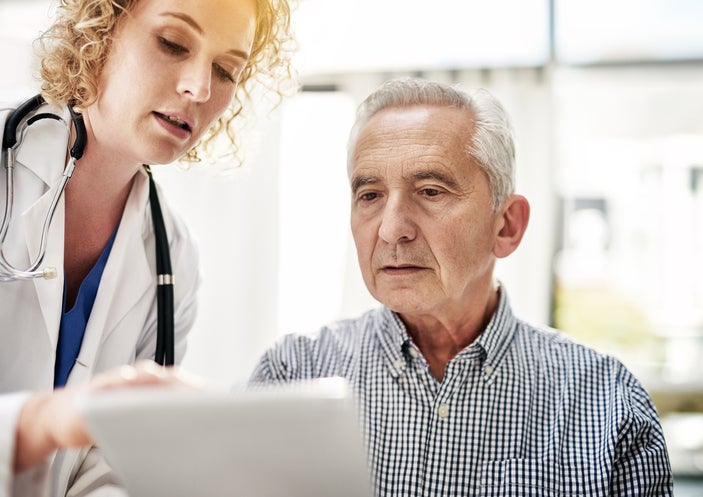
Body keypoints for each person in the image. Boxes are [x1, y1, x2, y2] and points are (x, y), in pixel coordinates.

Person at [250, 77, 673, 496]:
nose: (391, 229)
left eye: (431, 191)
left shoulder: (609, 408)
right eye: (370, 196)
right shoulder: (289, 377)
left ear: (506, 226)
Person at [0, 0, 293, 495]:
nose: (199, 89)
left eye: (225, 70)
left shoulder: (174, 257)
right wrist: (38, 425)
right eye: (173, 43)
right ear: (99, 29)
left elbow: (110, 466)